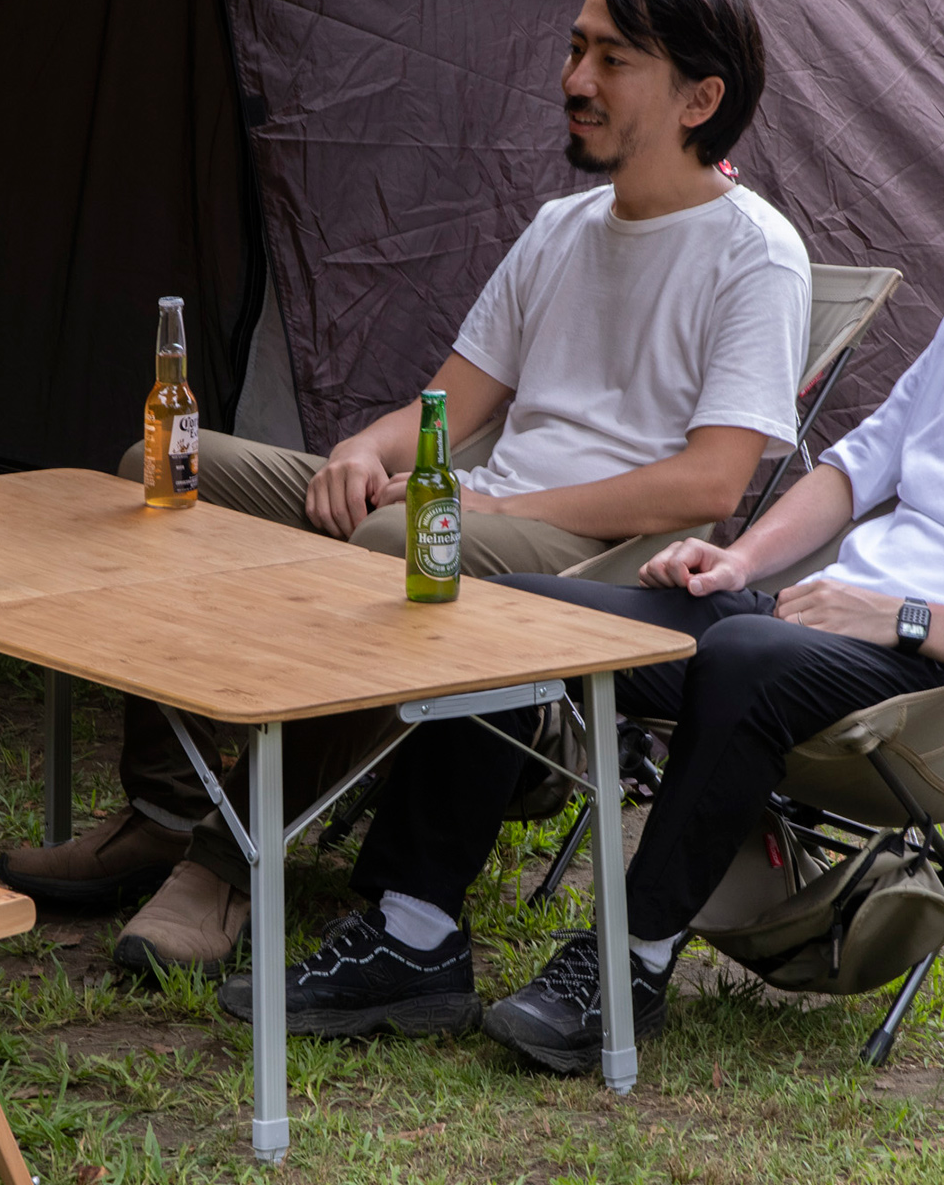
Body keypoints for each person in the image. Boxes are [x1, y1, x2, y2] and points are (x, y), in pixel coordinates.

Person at [0, 0, 811, 976]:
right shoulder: (562, 227)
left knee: (396, 548)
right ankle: (166, 810)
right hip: (472, 510)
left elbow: (707, 485)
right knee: (167, 468)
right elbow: (443, 410)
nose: (574, 80)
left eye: (612, 61)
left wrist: (492, 505)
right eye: (576, 50)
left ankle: (221, 869)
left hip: (601, 557)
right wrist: (360, 455)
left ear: (699, 98)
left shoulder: (755, 254)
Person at [217, 308, 944, 1059]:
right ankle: (414, 933)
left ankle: (631, 960)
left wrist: (906, 616)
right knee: (514, 611)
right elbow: (858, 467)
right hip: (817, 620)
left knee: (744, 654)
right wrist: (742, 562)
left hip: (920, 673)